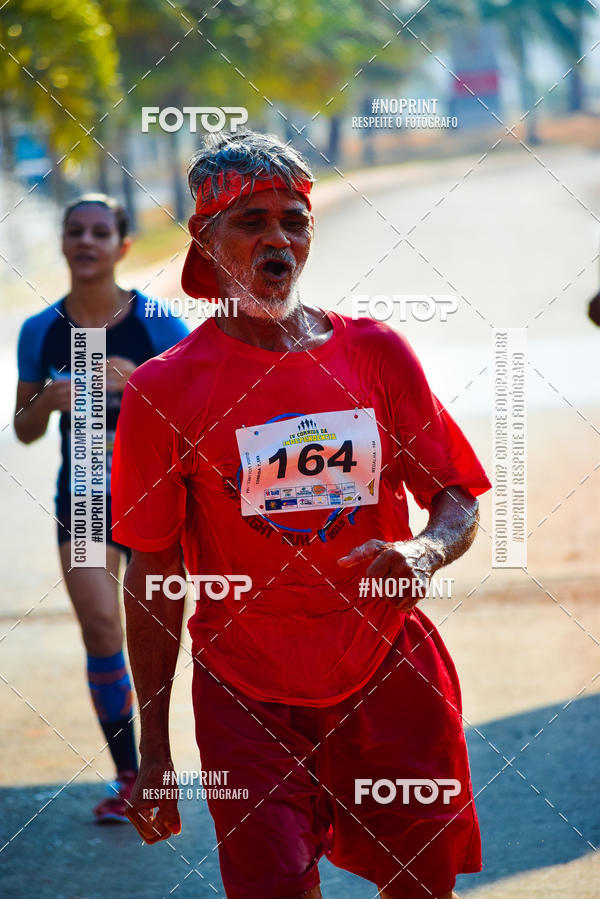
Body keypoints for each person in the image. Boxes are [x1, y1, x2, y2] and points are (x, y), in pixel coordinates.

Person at [112, 131, 492, 898]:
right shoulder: (163, 391)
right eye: (250, 220)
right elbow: (154, 572)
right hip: (246, 691)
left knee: (424, 881)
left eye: (294, 219)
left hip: (387, 669)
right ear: (205, 237)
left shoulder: (375, 353)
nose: (277, 237)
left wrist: (425, 550)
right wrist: (152, 752)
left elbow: (455, 490)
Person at [14, 194, 188, 823]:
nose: (85, 241)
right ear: (63, 243)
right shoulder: (42, 330)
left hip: (151, 495)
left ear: (122, 246)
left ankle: (164, 762)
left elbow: (205, 413)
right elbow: (24, 429)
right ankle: (131, 775)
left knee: (156, 636)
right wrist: (50, 402)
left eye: (98, 232)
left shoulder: (158, 322)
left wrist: (138, 382)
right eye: (74, 231)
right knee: (100, 625)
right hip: (84, 496)